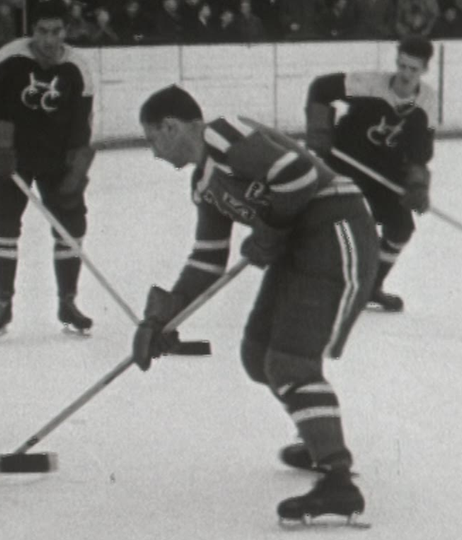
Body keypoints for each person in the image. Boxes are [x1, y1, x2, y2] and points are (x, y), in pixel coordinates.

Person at [132, 85, 379, 524]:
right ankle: (318, 435)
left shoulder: (224, 135)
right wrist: (164, 314)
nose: (153, 152)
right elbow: (207, 259)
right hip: (298, 248)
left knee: (289, 363)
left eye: (152, 139)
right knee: (256, 355)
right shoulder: (203, 183)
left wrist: (270, 226)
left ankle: (338, 480)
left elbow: (299, 174)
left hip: (336, 228)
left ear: (170, 126)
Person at [0, 0, 96, 337]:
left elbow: (82, 128)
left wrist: (76, 171)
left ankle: (67, 301)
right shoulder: (9, 58)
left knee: (72, 226)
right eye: (42, 31)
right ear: (32, 32)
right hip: (14, 160)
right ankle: (3, 303)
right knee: (3, 225)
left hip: (56, 161)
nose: (49, 40)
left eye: (56, 32)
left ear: (65, 32)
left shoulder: (77, 69)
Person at [306, 35, 435, 312]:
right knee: (337, 225)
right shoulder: (369, 83)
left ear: (424, 70)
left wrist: (417, 184)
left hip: (384, 173)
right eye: (402, 65)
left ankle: (369, 287)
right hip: (345, 165)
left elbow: (420, 152)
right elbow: (321, 88)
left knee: (401, 228)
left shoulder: (427, 101)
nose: (405, 74)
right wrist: (320, 133)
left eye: (413, 69)